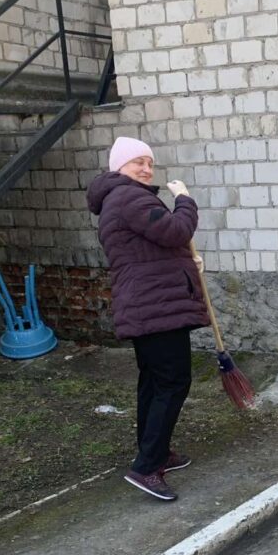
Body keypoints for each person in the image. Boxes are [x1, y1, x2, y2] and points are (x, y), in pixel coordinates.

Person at [87, 137, 209, 502]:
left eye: (150, 163)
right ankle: (147, 467)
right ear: (119, 167)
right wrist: (185, 201)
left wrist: (184, 261)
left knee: (154, 383)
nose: (146, 169)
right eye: (137, 162)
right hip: (156, 307)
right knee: (172, 382)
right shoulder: (129, 197)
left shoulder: (120, 199)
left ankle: (156, 451)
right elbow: (176, 230)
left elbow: (156, 245)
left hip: (150, 305)